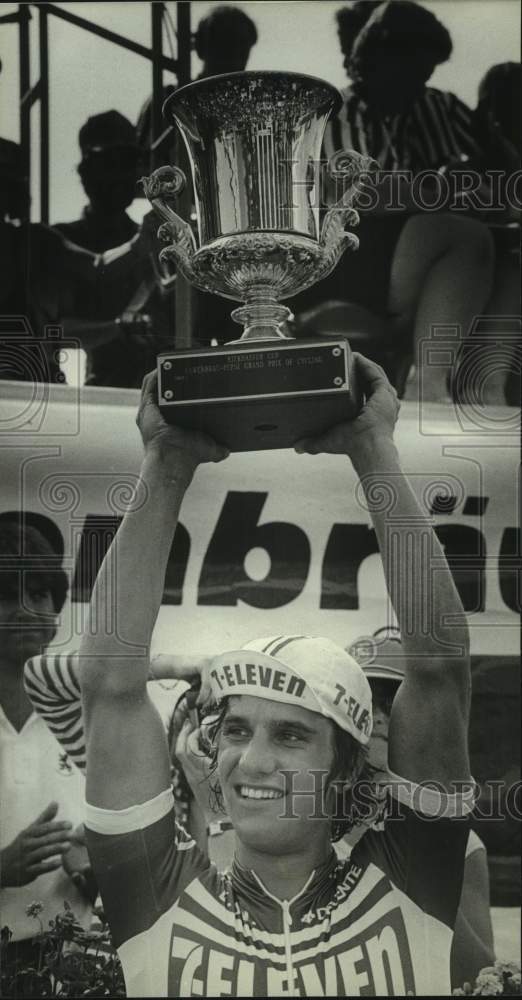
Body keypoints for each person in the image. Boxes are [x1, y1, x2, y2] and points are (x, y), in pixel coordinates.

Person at [79, 355, 474, 996]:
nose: (251, 761)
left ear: (346, 768)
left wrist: (374, 450)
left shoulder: (408, 879)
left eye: (291, 735)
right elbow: (110, 687)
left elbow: (438, 670)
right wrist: (166, 463)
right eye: (236, 729)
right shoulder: (156, 897)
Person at [294, 0, 495, 404]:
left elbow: (498, 165)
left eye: (425, 75)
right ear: (375, 60)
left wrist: (486, 149)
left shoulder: (432, 109)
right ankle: (428, 384)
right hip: (347, 259)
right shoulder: (336, 115)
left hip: (406, 258)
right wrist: (443, 188)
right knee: (459, 233)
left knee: (508, 250)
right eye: (410, 72)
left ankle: (490, 390)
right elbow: (360, 196)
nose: (418, 86)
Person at [0, 520, 94, 972]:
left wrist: (97, 869)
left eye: (39, 595)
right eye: (5, 594)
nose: (24, 610)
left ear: (56, 615)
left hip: (71, 965)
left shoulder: (91, 718)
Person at [54, 111, 175, 387]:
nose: (120, 175)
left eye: (129, 162)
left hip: (165, 390)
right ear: (86, 173)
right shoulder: (61, 243)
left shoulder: (152, 237)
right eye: (110, 163)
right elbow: (50, 329)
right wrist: (117, 329)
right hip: (107, 395)